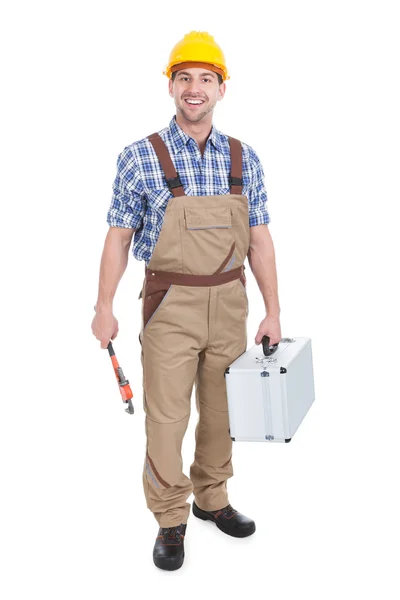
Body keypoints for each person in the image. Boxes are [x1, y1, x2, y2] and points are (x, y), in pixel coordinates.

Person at [91, 30, 282, 571]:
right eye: (184, 78)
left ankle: (212, 499)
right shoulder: (139, 157)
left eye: (205, 79)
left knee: (223, 414)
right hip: (168, 306)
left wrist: (273, 310)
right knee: (167, 419)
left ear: (222, 88)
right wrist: (103, 306)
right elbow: (118, 237)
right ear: (171, 87)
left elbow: (260, 239)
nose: (194, 89)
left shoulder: (246, 159)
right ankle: (171, 515)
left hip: (230, 303)